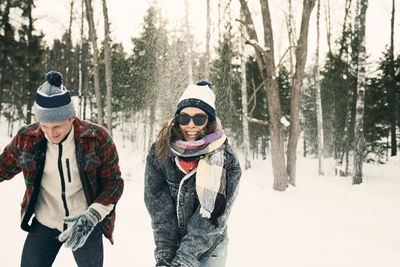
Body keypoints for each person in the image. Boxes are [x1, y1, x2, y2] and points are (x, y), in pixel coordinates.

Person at [0, 71, 124, 267]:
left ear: (71, 117)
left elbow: (114, 184)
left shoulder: (97, 138)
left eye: (57, 126)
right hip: (44, 224)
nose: (50, 133)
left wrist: (92, 215)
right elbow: (2, 168)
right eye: (44, 126)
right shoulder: (27, 138)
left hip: (85, 222)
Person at [144, 81, 242, 267]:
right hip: (172, 243)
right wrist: (165, 253)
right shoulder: (160, 152)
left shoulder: (225, 159)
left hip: (209, 248)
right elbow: (159, 208)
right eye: (184, 118)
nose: (190, 125)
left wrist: (185, 259)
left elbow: (213, 216)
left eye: (199, 119)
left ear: (209, 120)